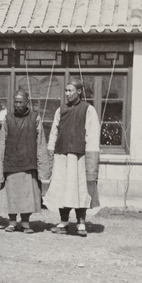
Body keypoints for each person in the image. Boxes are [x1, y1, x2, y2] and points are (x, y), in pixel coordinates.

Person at [45, 78, 101, 237]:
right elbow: (54, 133)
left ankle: (81, 223)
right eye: (66, 90)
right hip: (61, 155)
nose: (67, 93)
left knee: (79, 189)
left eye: (70, 90)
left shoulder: (88, 110)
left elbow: (92, 135)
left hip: (79, 157)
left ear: (79, 91)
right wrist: (51, 152)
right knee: (62, 188)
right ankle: (63, 222)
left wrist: (90, 157)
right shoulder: (60, 110)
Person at [0, 90, 48, 233]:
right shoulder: (8, 118)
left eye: (20, 102)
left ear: (27, 102)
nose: (17, 105)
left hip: (28, 163)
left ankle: (25, 223)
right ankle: (11, 222)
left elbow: (41, 143)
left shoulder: (35, 118)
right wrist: (0, 167)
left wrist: (43, 168)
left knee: (26, 195)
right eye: (15, 102)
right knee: (11, 195)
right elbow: (1, 143)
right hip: (11, 162)